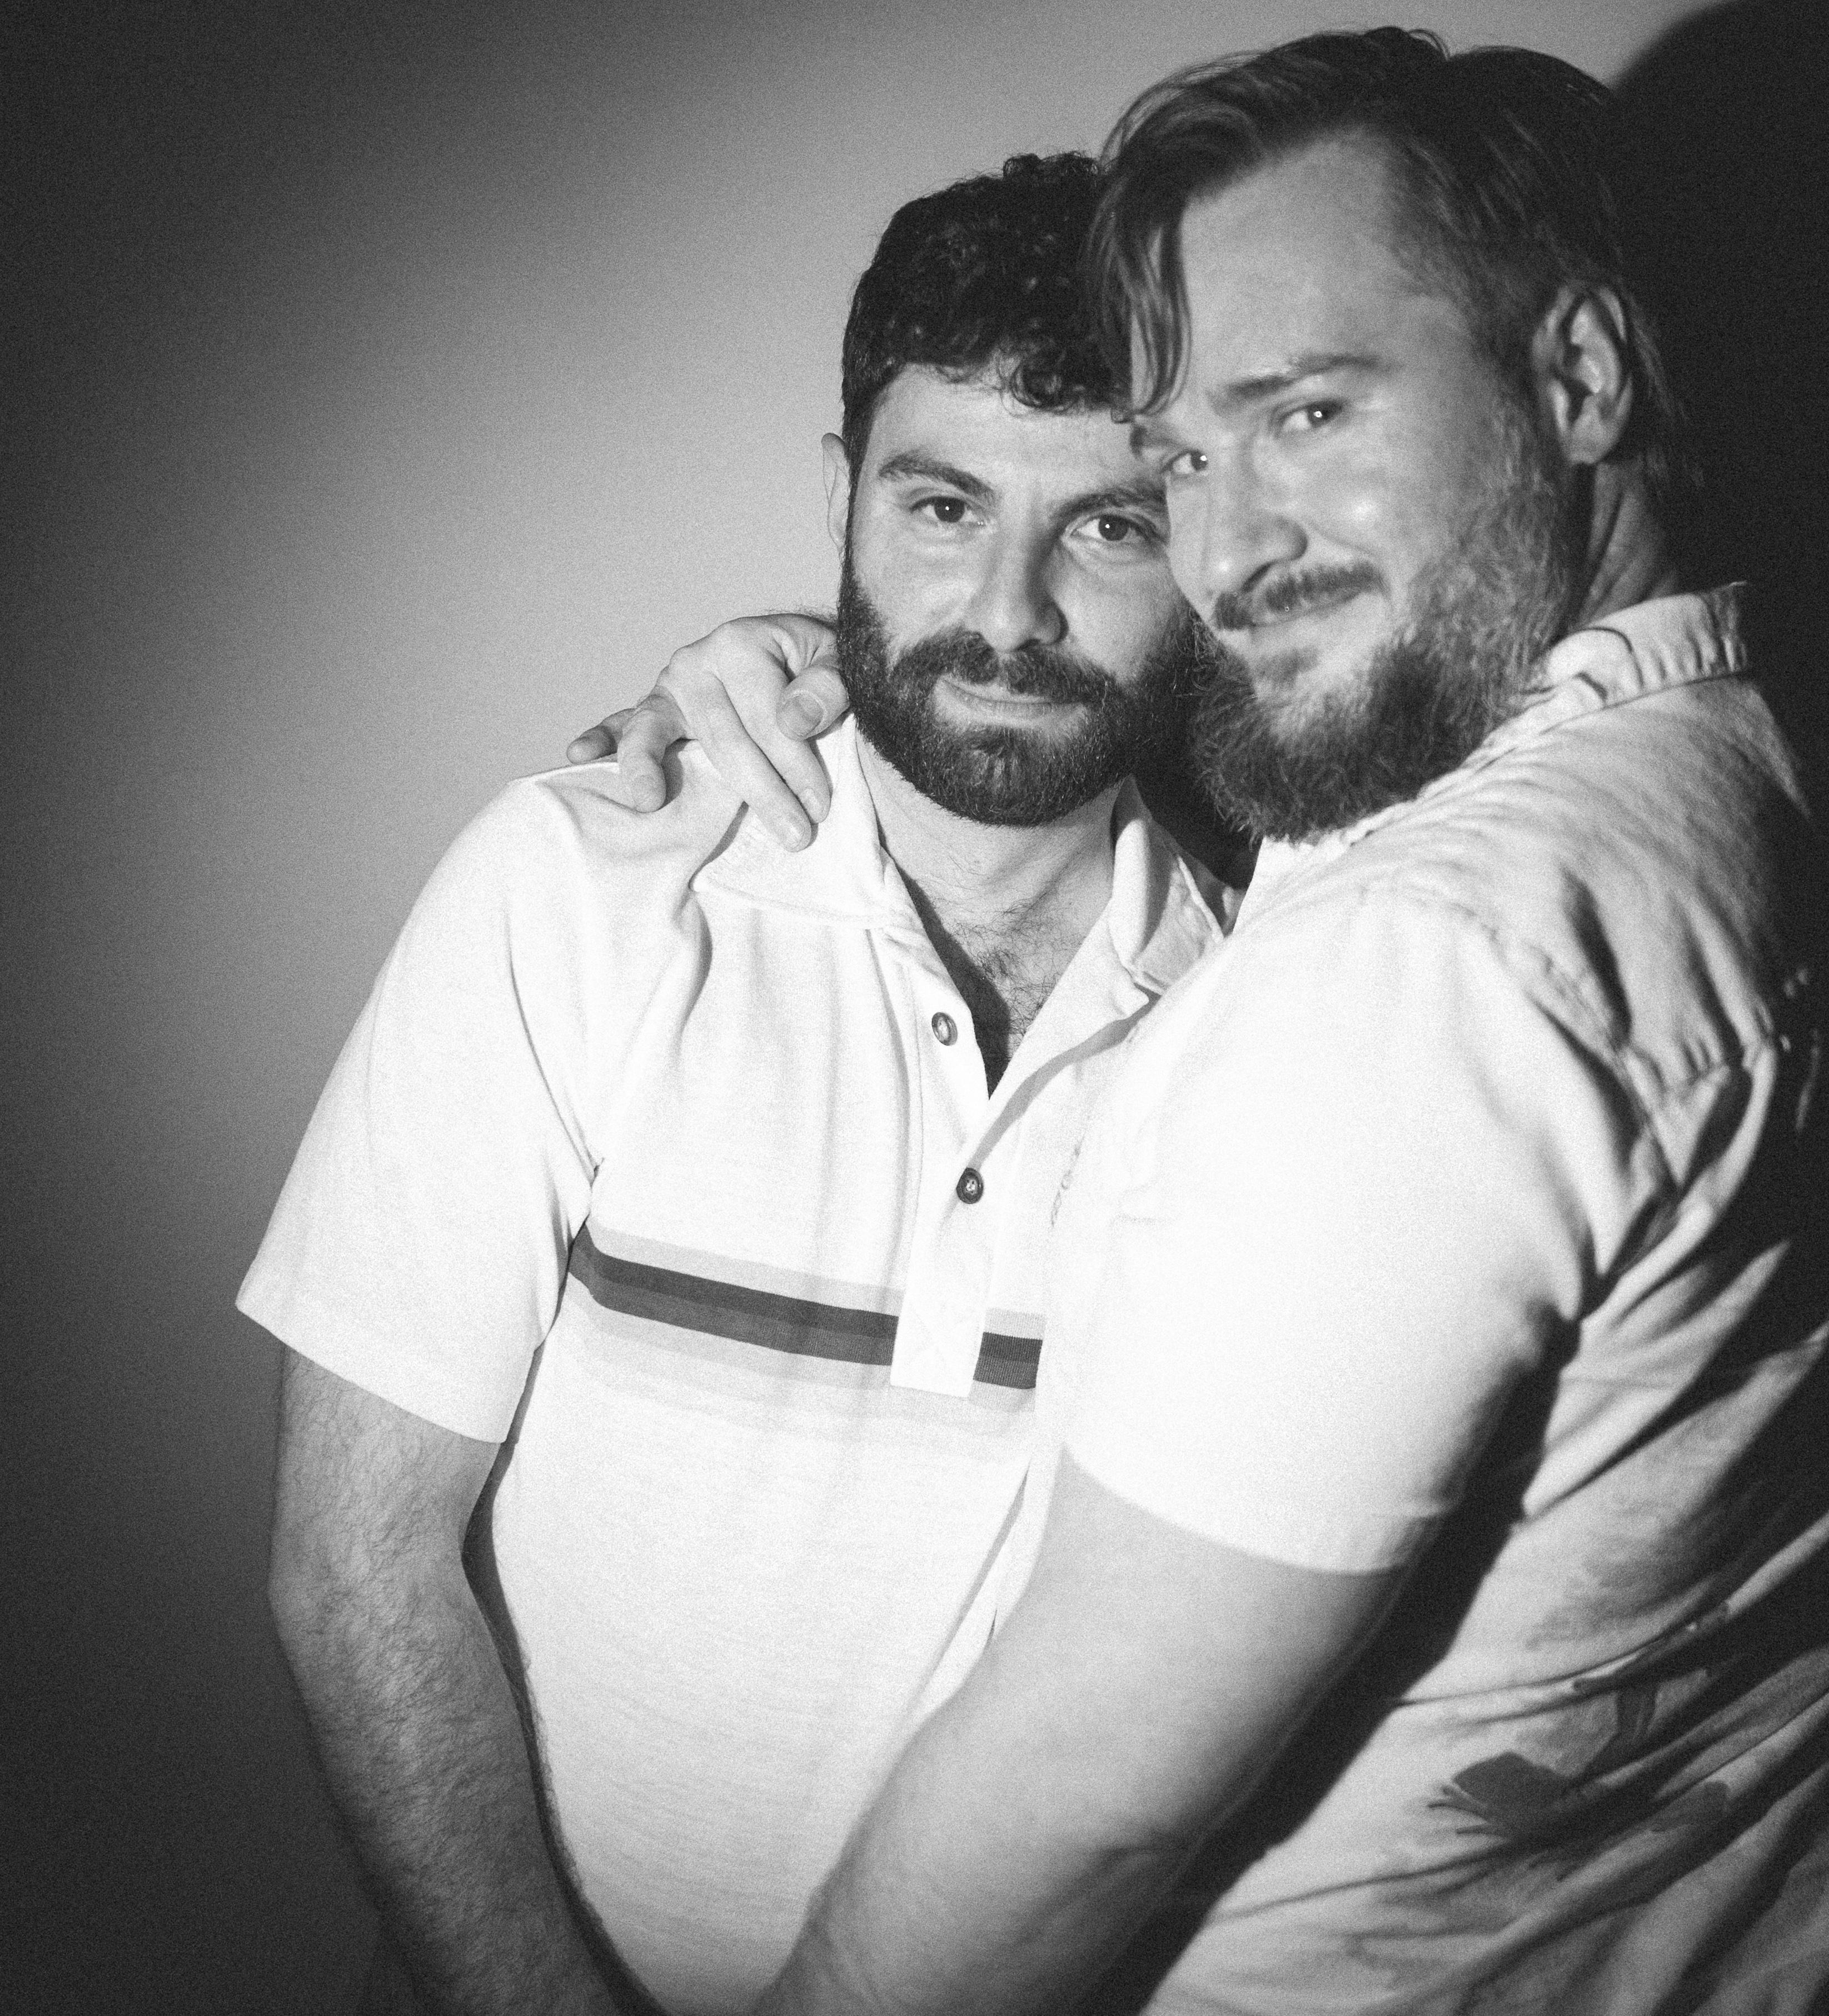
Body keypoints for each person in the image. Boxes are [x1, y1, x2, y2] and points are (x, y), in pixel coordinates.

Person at [596, 30, 1829, 2013]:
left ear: (1577, 378)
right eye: (1180, 465)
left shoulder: (1430, 958)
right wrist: (848, 678)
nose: (1228, 552)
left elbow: (1078, 1818)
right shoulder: (1785, 764)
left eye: (1308, 411)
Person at [239, 152, 1234, 2016]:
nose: (1005, 610)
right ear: (843, 499)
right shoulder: (587, 877)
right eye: (941, 505)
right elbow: (354, 1564)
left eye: (1107, 529)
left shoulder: (1282, 1014)